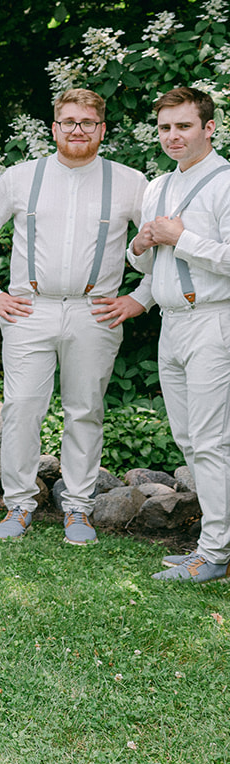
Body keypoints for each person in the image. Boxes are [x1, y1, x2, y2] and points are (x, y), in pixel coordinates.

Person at [0, 88, 152, 544]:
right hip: (30, 309)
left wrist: (140, 297)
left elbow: (159, 242)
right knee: (22, 408)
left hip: (96, 311)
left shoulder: (130, 182)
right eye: (68, 121)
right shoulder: (22, 178)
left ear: (102, 129)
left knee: (85, 410)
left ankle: (79, 509)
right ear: (54, 128)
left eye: (87, 122)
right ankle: (19, 504)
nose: (78, 129)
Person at [128, 87, 230, 583]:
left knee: (212, 441)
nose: (173, 136)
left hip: (214, 320)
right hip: (171, 323)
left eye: (183, 126)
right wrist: (142, 243)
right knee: (191, 440)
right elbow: (144, 260)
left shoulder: (226, 182)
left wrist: (180, 239)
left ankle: (213, 555)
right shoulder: (156, 187)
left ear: (209, 128)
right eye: (166, 127)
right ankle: (215, 541)